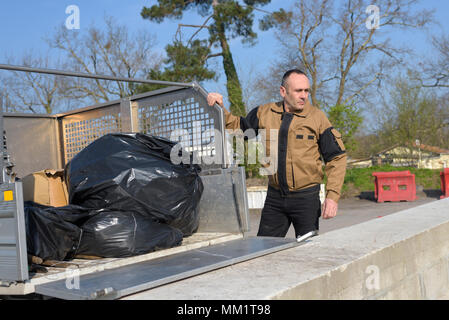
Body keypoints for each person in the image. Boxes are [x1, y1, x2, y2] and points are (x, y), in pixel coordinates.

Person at [207, 69, 347, 238]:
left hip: (306, 199)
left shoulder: (317, 118)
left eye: (306, 90)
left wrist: (332, 196)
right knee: (264, 249)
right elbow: (240, 129)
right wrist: (220, 109)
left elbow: (336, 157)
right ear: (283, 91)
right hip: (275, 198)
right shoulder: (264, 113)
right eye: (298, 91)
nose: (304, 96)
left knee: (308, 253)